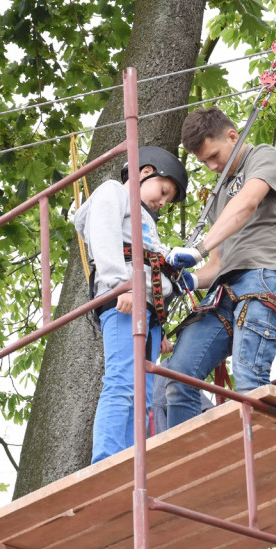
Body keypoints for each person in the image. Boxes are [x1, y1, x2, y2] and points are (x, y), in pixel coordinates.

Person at [158, 106, 276, 430]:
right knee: (177, 378)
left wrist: (198, 249)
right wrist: (191, 280)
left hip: (268, 278)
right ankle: (185, 471)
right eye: (204, 163)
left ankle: (258, 465)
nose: (212, 167)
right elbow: (217, 264)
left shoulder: (263, 158)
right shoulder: (218, 197)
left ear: (233, 136)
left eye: (214, 156)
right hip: (225, 291)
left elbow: (248, 203)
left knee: (248, 382)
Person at [73, 145, 190, 463]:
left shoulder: (147, 225)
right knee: (123, 380)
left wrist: (162, 325)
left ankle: (133, 458)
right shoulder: (113, 193)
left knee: (146, 392)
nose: (163, 202)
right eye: (164, 191)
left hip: (148, 314)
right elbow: (104, 234)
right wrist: (117, 286)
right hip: (124, 301)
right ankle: (108, 458)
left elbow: (153, 270)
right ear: (146, 171)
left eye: (168, 200)